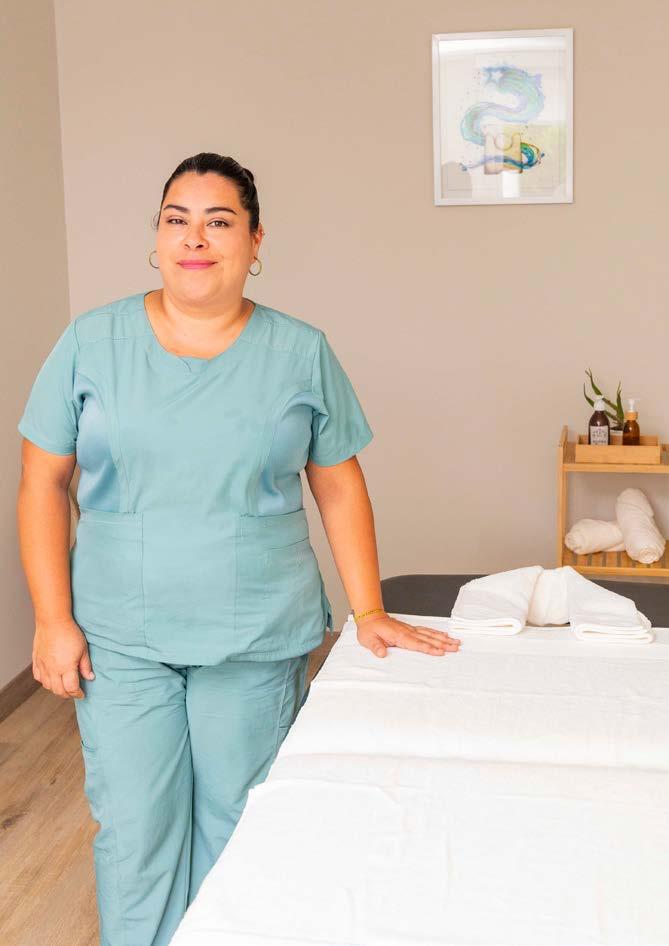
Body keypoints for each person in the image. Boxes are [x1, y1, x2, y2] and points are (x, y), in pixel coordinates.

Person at [16, 151, 461, 946]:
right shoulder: (91, 342)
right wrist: (53, 619)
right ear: (156, 238)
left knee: (242, 823)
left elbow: (337, 484)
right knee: (135, 833)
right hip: (120, 638)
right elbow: (42, 483)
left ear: (256, 242)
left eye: (219, 222)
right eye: (176, 220)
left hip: (255, 633)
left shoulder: (300, 352)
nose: (195, 238)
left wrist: (369, 611)